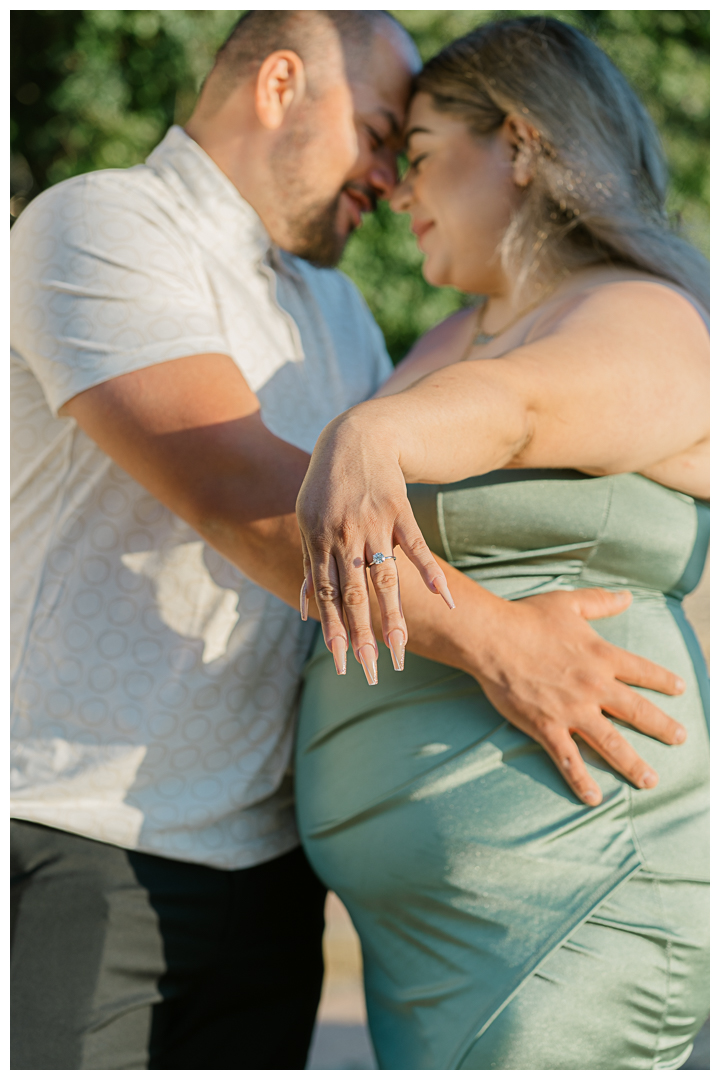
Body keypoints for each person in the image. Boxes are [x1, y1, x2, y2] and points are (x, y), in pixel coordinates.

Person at [10, 9, 690, 1071]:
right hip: (86, 836)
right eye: (381, 134)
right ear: (282, 84)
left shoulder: (342, 317)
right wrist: (504, 644)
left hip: (273, 887)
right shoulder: (104, 222)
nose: (389, 180)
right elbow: (243, 494)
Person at [295, 17, 709, 1071]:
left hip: (573, 894)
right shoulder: (454, 331)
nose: (394, 191)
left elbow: (518, 412)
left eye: (422, 154)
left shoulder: (641, 312)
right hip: (429, 936)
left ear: (520, 145)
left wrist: (373, 430)